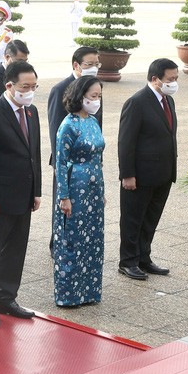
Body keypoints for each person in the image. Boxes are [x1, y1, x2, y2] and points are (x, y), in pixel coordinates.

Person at [0, 60, 42, 325]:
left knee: (16, 248)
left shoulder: (31, 111)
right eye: (26, 86)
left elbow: (33, 153)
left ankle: (6, 296)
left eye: (34, 86)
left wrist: (36, 190)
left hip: (23, 195)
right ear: (9, 85)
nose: (30, 91)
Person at [117, 58, 178, 281]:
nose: (174, 83)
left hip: (162, 173)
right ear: (155, 79)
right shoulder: (137, 102)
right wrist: (127, 174)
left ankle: (144, 257)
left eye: (176, 78)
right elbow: (126, 142)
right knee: (133, 220)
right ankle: (128, 261)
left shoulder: (168, 100)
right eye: (170, 79)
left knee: (150, 219)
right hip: (140, 176)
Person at [53, 75, 105, 307]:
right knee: (72, 240)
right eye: (93, 96)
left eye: (99, 96)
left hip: (94, 188)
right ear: (80, 97)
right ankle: (69, 294)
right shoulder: (68, 125)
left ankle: (90, 291)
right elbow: (61, 163)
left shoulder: (93, 122)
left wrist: (101, 191)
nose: (97, 100)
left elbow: (99, 157)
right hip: (75, 188)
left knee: (92, 240)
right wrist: (64, 196)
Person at [47, 46, 103, 167]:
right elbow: (55, 127)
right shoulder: (60, 89)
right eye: (89, 64)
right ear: (76, 65)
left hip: (91, 160)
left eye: (97, 64)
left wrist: (99, 156)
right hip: (69, 161)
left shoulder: (96, 87)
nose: (93, 68)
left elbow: (98, 123)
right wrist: (59, 164)